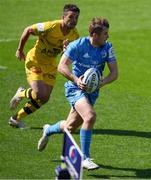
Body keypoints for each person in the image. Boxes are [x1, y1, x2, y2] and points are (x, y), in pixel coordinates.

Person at [38, 17, 118, 170]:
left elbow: (114, 73)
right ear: (94, 34)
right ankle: (85, 158)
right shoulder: (77, 45)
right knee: (90, 116)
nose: (107, 36)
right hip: (75, 88)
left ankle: (48, 129)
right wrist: (76, 80)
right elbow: (62, 66)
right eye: (105, 33)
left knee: (70, 127)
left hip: (92, 92)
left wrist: (103, 81)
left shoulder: (107, 47)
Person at [9, 4, 80, 128]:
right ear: (63, 17)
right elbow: (28, 30)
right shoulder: (50, 27)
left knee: (44, 98)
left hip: (51, 65)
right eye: (71, 17)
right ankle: (21, 93)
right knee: (39, 94)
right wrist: (20, 50)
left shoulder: (74, 36)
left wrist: (66, 50)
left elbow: (68, 56)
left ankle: (16, 119)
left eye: (76, 18)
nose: (73, 21)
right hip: (35, 61)